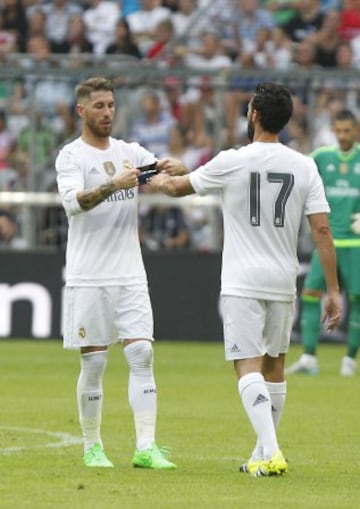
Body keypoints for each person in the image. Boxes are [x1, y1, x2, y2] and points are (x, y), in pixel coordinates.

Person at [149, 82, 341, 477]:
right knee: (275, 367)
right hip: (284, 278)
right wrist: (333, 290)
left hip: (242, 280)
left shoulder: (232, 159)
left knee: (246, 366)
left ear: (253, 113)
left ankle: (271, 450)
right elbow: (322, 231)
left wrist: (149, 175)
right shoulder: (304, 165)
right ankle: (261, 454)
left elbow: (177, 189)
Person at [55, 76, 176, 470]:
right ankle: (92, 447)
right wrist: (113, 184)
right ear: (82, 111)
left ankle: (146, 447)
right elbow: (75, 203)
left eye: (111, 105)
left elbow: (161, 177)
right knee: (94, 363)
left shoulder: (130, 151)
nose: (107, 112)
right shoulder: (71, 157)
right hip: (89, 275)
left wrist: (175, 168)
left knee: (142, 353)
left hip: (129, 274)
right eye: (100, 106)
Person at [286, 109, 360, 377]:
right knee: (309, 295)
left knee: (357, 300)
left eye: (347, 131)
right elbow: (297, 170)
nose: (342, 136)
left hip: (355, 244)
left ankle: (350, 359)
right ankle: (308, 358)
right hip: (327, 241)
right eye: (338, 131)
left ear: (356, 130)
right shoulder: (322, 157)